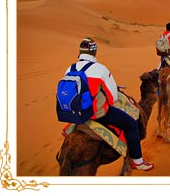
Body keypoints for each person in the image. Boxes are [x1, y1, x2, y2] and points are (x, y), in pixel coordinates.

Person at [64, 37, 154, 171]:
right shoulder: (100, 69)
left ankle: (69, 129)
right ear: (94, 52)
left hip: (75, 113)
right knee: (131, 123)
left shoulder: (70, 68)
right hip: (96, 113)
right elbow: (112, 97)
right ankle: (137, 160)